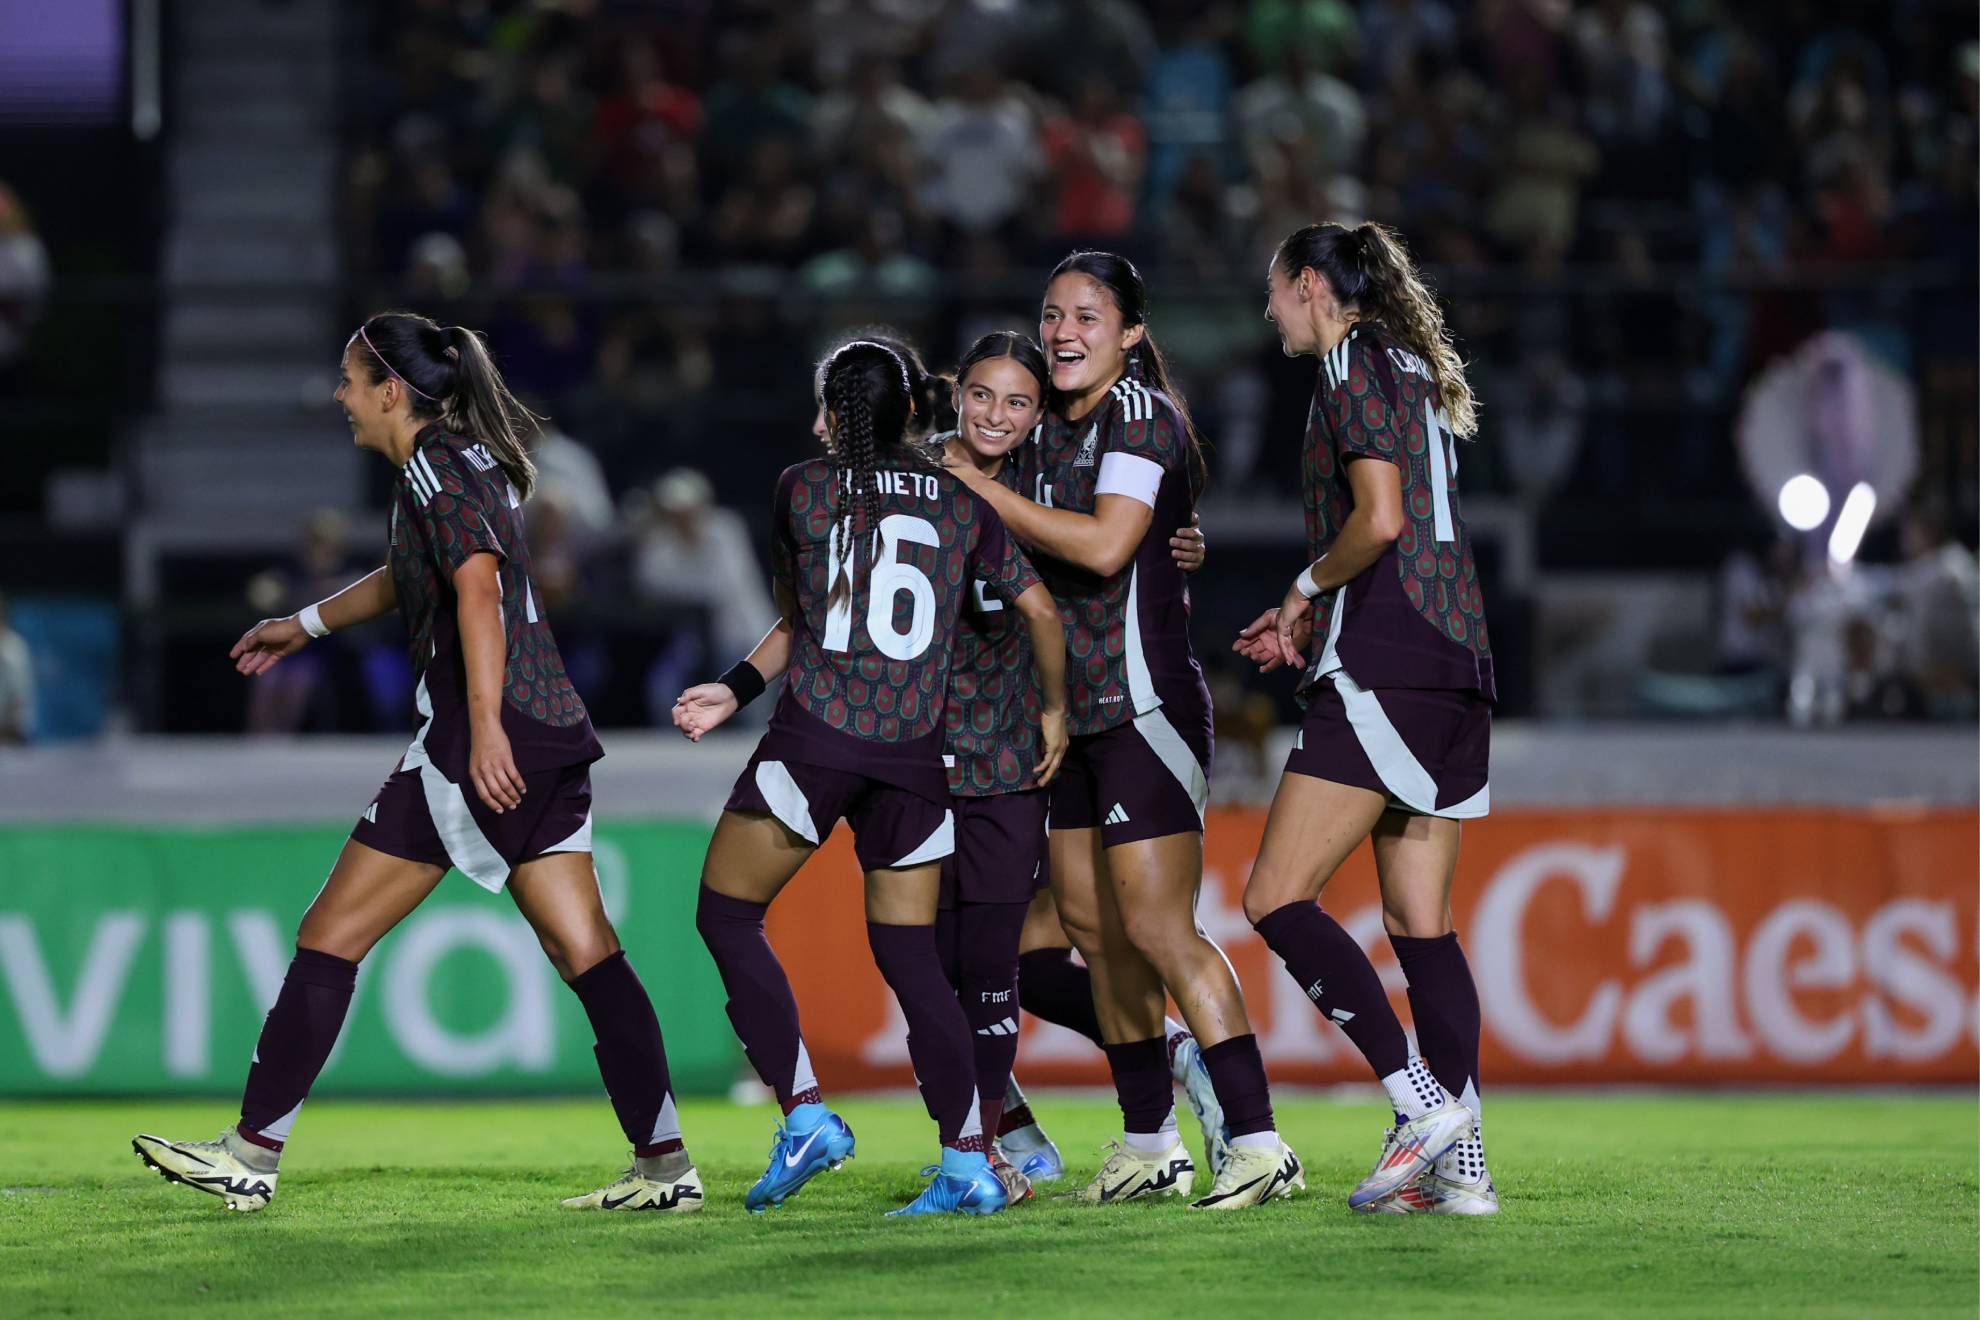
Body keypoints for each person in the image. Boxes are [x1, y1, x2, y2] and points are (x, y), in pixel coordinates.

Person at [131, 312, 701, 1216]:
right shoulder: (467, 463)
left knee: (329, 935)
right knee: (586, 950)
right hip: (549, 729)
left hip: (483, 745)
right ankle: (667, 1166)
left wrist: (481, 732)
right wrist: (306, 623)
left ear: (391, 391)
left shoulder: (436, 467)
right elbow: (411, 574)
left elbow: (474, 587)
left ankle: (249, 1151)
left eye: (351, 382)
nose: (341, 398)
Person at [671, 339, 1068, 1218]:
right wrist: (1054, 712)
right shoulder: (962, 502)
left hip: (817, 741)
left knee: (727, 912)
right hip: (917, 759)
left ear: (834, 411)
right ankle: (969, 1161)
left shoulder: (802, 489)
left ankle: (805, 1112)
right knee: (911, 956)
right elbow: (1039, 607)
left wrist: (733, 694)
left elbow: (802, 617)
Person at [948, 251, 1301, 1211]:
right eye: (1053, 312)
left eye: (1089, 317)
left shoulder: (1140, 413)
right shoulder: (1039, 429)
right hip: (1067, 716)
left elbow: (1106, 546)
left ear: (1133, 332)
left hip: (1143, 707)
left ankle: (1261, 1142)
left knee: (1156, 927)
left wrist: (984, 495)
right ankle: (1150, 1142)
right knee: (1099, 936)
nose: (1064, 332)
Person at [1239, 220, 1497, 1215]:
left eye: (1274, 291)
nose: (1268, 311)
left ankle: (1417, 1099)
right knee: (1421, 925)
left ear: (1312, 286)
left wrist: (1305, 587)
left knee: (1274, 897)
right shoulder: (1411, 366)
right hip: (1460, 658)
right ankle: (1462, 1171)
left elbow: (1379, 519)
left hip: (1388, 658)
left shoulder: (1350, 367)